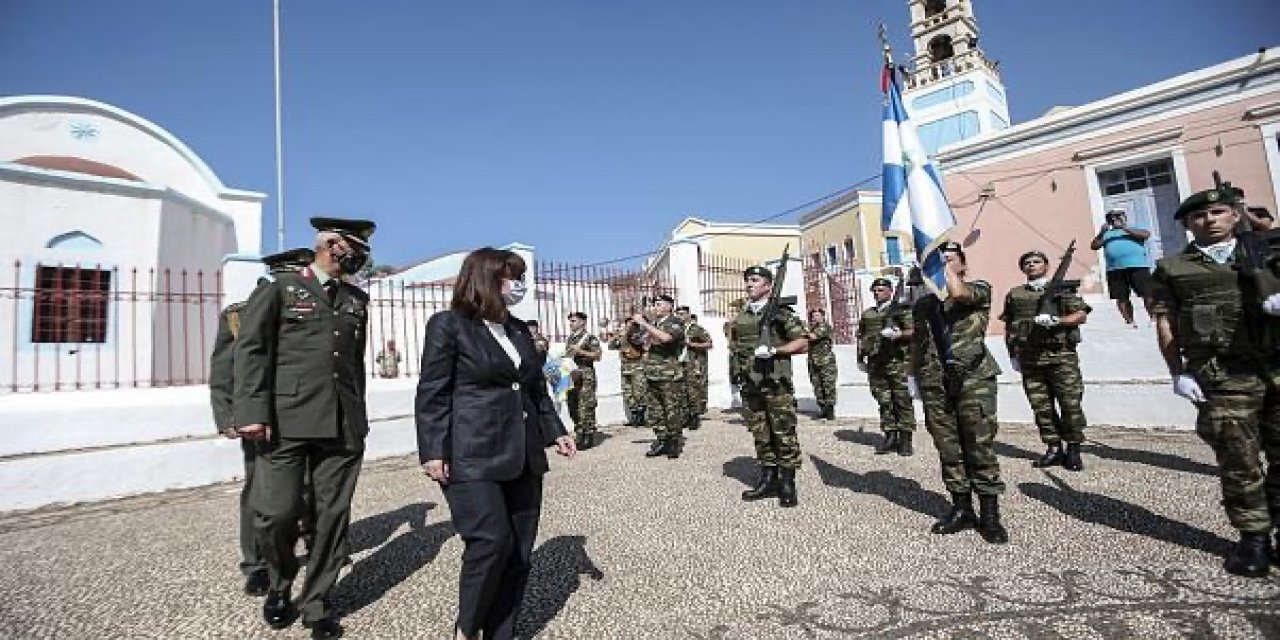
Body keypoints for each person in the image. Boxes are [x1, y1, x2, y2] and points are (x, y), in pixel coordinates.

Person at [415, 247, 577, 639]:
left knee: (519, 550)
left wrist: (556, 429)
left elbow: (535, 389)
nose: (517, 285)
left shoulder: (520, 330)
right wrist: (433, 449)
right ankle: (468, 628)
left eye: (519, 276)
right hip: (471, 453)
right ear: (485, 279)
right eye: (510, 277)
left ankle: (502, 632)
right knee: (490, 541)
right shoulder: (449, 325)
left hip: (523, 453)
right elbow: (433, 391)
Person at [233, 218, 375, 638]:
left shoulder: (356, 299)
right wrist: (251, 412)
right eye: (355, 247)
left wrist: (359, 415)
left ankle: (316, 603)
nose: (361, 256)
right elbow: (251, 349)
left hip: (342, 424)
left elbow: (353, 364)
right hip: (287, 421)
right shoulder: (279, 289)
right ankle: (279, 583)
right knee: (277, 514)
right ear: (332, 245)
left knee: (332, 516)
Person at [1149, 185, 1280, 578]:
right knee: (1239, 460)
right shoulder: (1173, 268)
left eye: (1219, 212)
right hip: (1222, 374)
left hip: (1276, 366)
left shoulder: (1269, 253)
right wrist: (1178, 372)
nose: (1210, 220)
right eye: (1199, 216)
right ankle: (1254, 538)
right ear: (1188, 224)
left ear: (1235, 215)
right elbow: (1165, 322)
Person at [210, 247, 313, 598]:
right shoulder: (240, 314)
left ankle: (314, 545)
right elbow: (225, 368)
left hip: (306, 413)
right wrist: (228, 416)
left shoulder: (315, 311)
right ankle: (257, 564)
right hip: (262, 418)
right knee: (260, 492)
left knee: (311, 486)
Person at [911, 242, 1008, 544]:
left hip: (972, 379)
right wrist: (912, 378)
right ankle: (961, 508)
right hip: (934, 382)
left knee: (979, 446)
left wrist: (939, 267)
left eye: (949, 260)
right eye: (936, 263)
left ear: (963, 266)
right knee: (948, 448)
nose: (940, 266)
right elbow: (918, 343)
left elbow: (958, 292)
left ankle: (990, 516)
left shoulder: (978, 289)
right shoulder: (924, 305)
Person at [1000, 250, 1092, 471]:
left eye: (1036, 261)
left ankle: (1073, 449)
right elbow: (1009, 325)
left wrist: (1057, 321)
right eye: (1027, 263)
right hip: (1031, 359)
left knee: (1070, 404)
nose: (1031, 265)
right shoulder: (1016, 294)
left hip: (1061, 357)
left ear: (1046, 265)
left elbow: (1080, 315)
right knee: (1041, 407)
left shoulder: (1061, 288)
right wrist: (1013, 354)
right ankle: (1053, 448)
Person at [731, 266, 809, 507]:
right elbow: (735, 348)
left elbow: (803, 342)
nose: (749, 284)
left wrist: (776, 350)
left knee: (783, 432)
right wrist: (736, 374)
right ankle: (768, 477)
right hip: (751, 384)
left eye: (754, 280)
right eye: (747, 281)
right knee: (760, 432)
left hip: (776, 384)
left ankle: (787, 482)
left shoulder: (780, 312)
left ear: (767, 285)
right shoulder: (742, 315)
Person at [856, 278, 917, 455]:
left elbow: (914, 331)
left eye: (881, 289)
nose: (877, 293)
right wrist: (860, 358)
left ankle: (905, 439)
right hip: (876, 363)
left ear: (890, 291)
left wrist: (898, 334)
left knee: (902, 401)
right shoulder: (868, 314)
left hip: (896, 362)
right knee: (883, 401)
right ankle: (890, 435)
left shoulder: (900, 310)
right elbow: (861, 336)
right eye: (875, 290)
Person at [634, 294, 686, 458]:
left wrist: (644, 323)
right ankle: (662, 440)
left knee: (671, 410)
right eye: (654, 304)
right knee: (656, 411)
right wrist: (637, 326)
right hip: (652, 374)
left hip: (669, 375)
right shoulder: (655, 324)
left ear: (669, 306)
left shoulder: (675, 322)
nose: (655, 307)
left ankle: (674, 442)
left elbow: (666, 338)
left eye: (659, 304)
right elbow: (638, 341)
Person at [1090, 209, 1153, 327]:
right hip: (1115, 269)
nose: (1114, 219)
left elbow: (1145, 235)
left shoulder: (1133, 229)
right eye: (1110, 218)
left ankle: (1153, 318)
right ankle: (1129, 321)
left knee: (1147, 293)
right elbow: (1094, 246)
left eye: (1117, 217)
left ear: (1124, 217)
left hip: (1138, 266)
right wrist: (1101, 232)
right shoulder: (1106, 234)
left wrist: (1125, 227)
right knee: (1121, 297)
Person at [563, 311, 602, 449]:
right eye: (570, 321)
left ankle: (588, 435)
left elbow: (597, 356)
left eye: (574, 321)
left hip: (585, 375)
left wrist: (581, 351)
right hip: (572, 375)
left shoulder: (589, 338)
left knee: (586, 406)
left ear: (582, 322)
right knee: (573, 404)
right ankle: (579, 433)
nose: (571, 323)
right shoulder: (570, 338)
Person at [606, 315, 648, 426]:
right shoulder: (623, 336)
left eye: (632, 323)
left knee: (640, 391)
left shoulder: (640, 334)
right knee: (627, 392)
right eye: (628, 323)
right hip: (625, 366)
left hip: (637, 365)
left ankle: (641, 415)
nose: (629, 325)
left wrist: (629, 334)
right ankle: (634, 415)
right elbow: (611, 346)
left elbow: (638, 342)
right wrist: (615, 336)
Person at [677, 306, 712, 430]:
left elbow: (709, 344)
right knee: (682, 390)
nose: (680, 316)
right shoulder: (677, 329)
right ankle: (685, 416)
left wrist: (691, 344)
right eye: (678, 314)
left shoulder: (697, 329)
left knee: (693, 391)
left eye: (682, 314)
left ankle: (694, 417)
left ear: (688, 315)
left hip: (693, 363)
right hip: (680, 363)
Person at [806, 308, 839, 421]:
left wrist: (800, 329)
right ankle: (822, 408)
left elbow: (813, 337)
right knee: (817, 386)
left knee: (828, 385)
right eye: (813, 316)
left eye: (817, 315)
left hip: (826, 362)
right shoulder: (811, 329)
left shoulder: (825, 327)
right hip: (813, 361)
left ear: (823, 316)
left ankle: (830, 410)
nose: (815, 318)